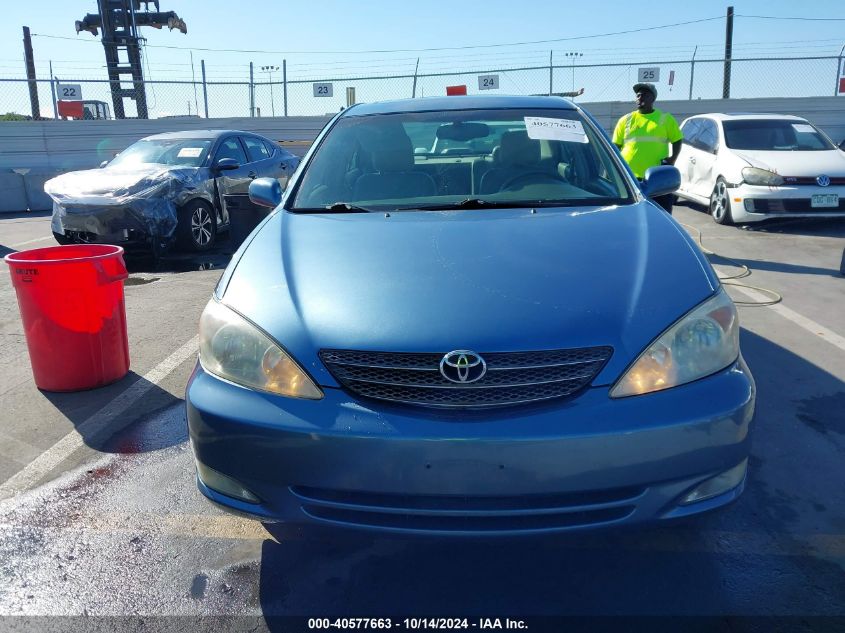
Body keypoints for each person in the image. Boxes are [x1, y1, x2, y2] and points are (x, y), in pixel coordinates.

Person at [612, 82, 683, 214]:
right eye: (638, 95)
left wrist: (672, 159)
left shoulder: (665, 119)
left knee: (660, 215)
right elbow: (615, 146)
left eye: (644, 95)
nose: (640, 97)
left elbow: (677, 140)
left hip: (657, 180)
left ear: (653, 98)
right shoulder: (625, 120)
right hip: (629, 178)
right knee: (630, 215)